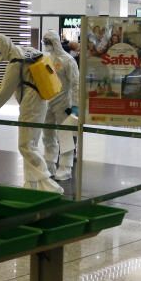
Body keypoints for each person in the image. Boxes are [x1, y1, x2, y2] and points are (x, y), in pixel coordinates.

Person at [0, 34, 63, 194]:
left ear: (4, 47)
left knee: (25, 145)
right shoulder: (24, 51)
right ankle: (31, 182)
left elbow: (4, 93)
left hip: (31, 103)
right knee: (30, 143)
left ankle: (46, 182)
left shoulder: (15, 61)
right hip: (38, 100)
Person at [40, 31, 80, 181]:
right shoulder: (46, 59)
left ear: (55, 42)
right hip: (48, 101)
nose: (46, 45)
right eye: (45, 42)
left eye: (48, 42)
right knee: (47, 134)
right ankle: (49, 164)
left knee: (65, 136)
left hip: (65, 102)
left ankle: (65, 168)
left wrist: (76, 105)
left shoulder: (68, 60)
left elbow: (76, 84)